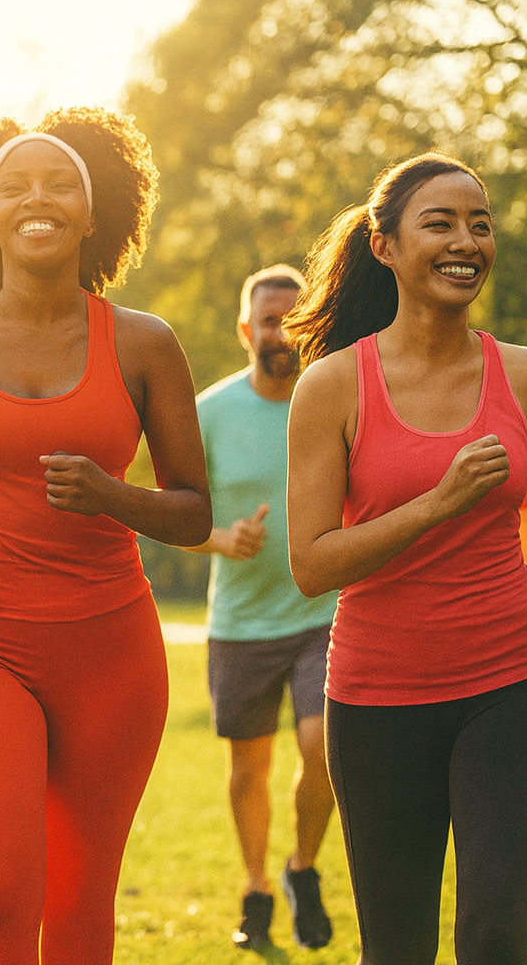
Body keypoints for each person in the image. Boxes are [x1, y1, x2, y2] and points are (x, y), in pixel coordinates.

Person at [0, 108, 212, 965]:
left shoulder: (143, 344)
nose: (39, 198)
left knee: (77, 904)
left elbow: (193, 509)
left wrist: (110, 495)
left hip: (109, 651)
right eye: (14, 186)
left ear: (93, 212)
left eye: (61, 183)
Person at [282, 153, 527, 964]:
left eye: (480, 225)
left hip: (510, 688)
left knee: (494, 938)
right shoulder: (334, 387)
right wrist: (436, 504)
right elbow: (311, 563)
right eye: (440, 223)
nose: (466, 242)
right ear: (384, 247)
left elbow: (526, 504)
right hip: (378, 698)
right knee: (398, 946)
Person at [186, 265, 338, 951]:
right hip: (241, 623)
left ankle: (303, 865)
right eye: (268, 321)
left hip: (323, 612)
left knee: (323, 745)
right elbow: (171, 506)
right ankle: (257, 886)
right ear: (246, 330)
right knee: (249, 770)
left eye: (292, 319)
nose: (280, 333)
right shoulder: (209, 412)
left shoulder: (333, 397)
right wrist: (221, 537)